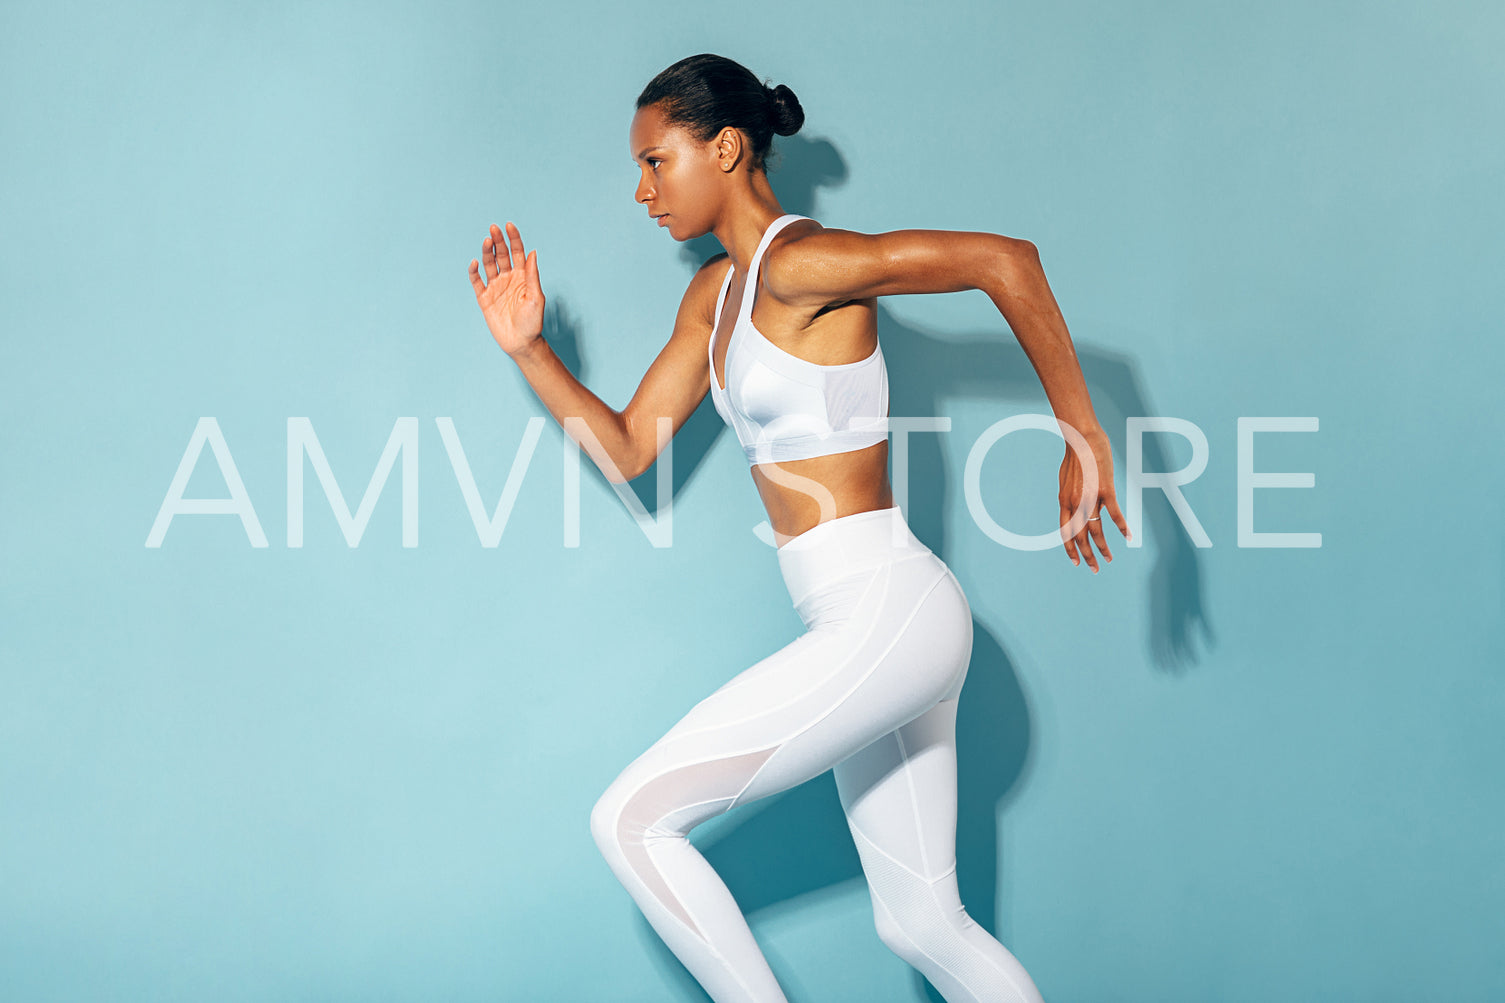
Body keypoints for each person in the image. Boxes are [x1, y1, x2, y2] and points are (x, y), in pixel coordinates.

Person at [467, 52, 1127, 1003]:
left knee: (631, 821)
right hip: (858, 622)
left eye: (656, 162)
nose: (642, 191)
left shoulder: (804, 265)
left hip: (888, 610)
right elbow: (628, 448)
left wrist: (1079, 434)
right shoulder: (716, 295)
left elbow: (1004, 261)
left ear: (726, 147)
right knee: (921, 921)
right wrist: (530, 350)